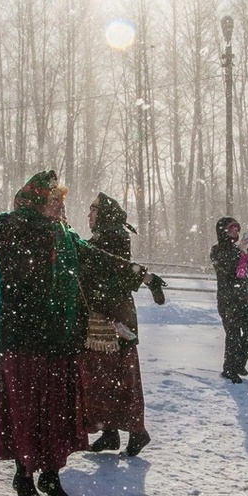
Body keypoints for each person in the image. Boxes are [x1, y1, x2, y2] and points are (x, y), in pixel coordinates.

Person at [0, 161, 164, 496]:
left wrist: (141, 273)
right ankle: (24, 474)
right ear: (36, 200)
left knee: (56, 411)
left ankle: (50, 474)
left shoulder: (65, 236)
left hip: (60, 340)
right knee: (26, 409)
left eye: (61, 201)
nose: (61, 207)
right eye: (54, 200)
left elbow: (98, 258)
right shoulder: (14, 226)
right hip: (23, 340)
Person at [80, 192, 152, 457]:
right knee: (103, 378)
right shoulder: (105, 237)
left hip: (114, 321)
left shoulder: (112, 236)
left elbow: (110, 271)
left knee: (121, 378)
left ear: (105, 213)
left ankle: (136, 431)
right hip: (105, 318)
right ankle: (110, 432)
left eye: (93, 210)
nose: (90, 215)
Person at [210, 216, 248, 383]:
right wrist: (242, 253)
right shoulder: (218, 251)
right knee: (234, 335)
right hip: (228, 300)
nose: (236, 231)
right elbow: (234, 270)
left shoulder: (237, 250)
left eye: (237, 228)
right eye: (232, 228)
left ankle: (237, 364)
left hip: (242, 299)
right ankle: (229, 370)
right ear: (223, 231)